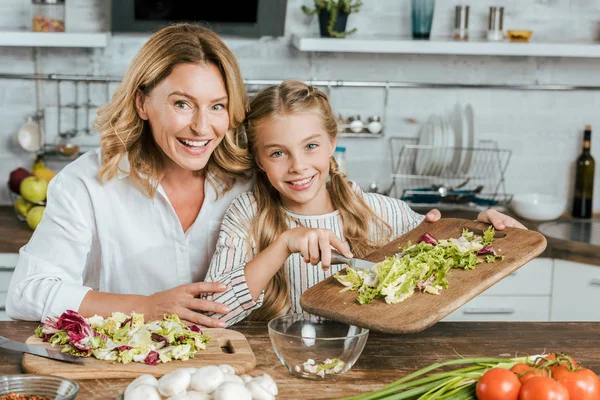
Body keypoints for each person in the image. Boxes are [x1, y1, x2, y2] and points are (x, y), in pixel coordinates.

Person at [203, 80, 526, 326]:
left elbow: (452, 273)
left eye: (311, 146)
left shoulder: (382, 213)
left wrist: (481, 232)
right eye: (277, 152)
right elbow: (212, 313)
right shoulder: (247, 214)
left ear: (332, 143)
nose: (298, 165)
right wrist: (283, 245)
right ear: (259, 160)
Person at [6, 24, 253, 327]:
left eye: (217, 106)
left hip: (226, 364)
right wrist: (147, 307)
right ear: (142, 103)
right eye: (182, 104)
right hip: (116, 369)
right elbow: (27, 292)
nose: (202, 127)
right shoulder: (86, 184)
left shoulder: (247, 183)